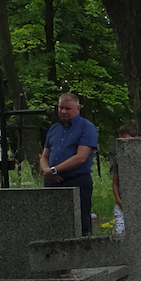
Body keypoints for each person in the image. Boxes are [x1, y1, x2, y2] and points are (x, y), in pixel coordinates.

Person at [40, 92, 98, 236]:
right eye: (61, 108)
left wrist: (54, 170)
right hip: (52, 182)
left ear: (77, 109)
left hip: (76, 180)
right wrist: (48, 171)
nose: (63, 111)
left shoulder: (86, 127)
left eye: (68, 108)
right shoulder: (54, 129)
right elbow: (44, 156)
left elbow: (80, 157)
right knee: (54, 224)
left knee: (80, 225)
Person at [110, 122, 139, 234]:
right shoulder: (118, 159)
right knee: (121, 231)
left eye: (126, 139)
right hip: (122, 202)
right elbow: (115, 183)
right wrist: (119, 200)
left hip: (137, 201)